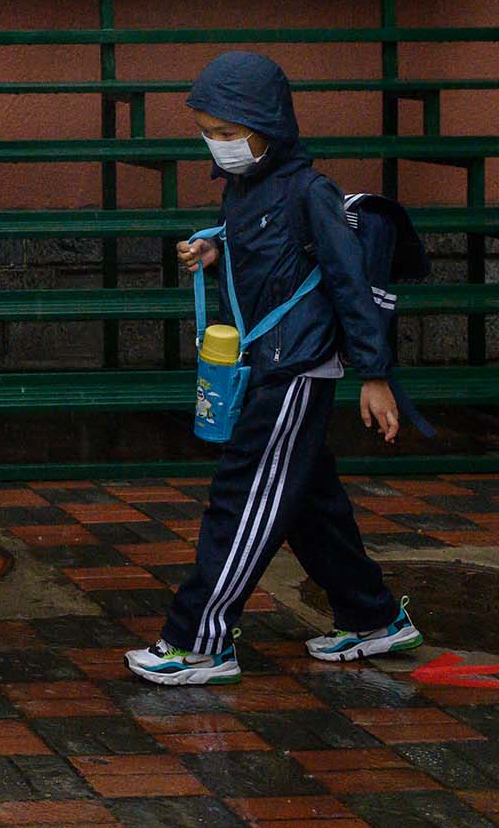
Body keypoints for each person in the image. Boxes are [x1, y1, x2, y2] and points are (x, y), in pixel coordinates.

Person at [126, 51, 420, 685]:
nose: (219, 145)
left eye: (230, 134)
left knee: (244, 497)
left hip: (296, 368)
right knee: (308, 503)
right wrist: (214, 250)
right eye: (209, 133)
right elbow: (268, 257)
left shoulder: (310, 191)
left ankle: (200, 640)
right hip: (273, 361)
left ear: (268, 126)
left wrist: (373, 375)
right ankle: (374, 618)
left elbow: (349, 284)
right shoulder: (244, 187)